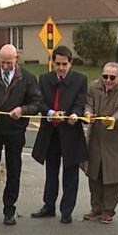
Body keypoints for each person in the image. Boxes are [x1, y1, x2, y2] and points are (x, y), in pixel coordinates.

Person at [0, 44, 42, 225]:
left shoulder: (28, 78)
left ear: (16, 59)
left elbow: (36, 103)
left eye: (8, 63)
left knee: (14, 170)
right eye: (2, 62)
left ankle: (9, 210)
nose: (5, 66)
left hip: (15, 131)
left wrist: (23, 109)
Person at [30, 45, 88, 224]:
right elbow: (40, 102)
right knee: (51, 171)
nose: (61, 68)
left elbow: (80, 101)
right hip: (51, 132)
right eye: (58, 64)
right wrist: (49, 113)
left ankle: (66, 211)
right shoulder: (45, 79)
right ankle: (49, 206)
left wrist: (75, 115)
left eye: (64, 64)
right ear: (52, 63)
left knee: (70, 173)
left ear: (70, 63)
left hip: (70, 132)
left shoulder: (80, 80)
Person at [83, 62, 118, 224]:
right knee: (94, 173)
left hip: (116, 139)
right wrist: (88, 112)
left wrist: (114, 119)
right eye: (104, 76)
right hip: (96, 137)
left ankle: (108, 210)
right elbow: (88, 103)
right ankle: (96, 207)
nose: (107, 80)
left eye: (112, 77)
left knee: (113, 175)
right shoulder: (93, 87)